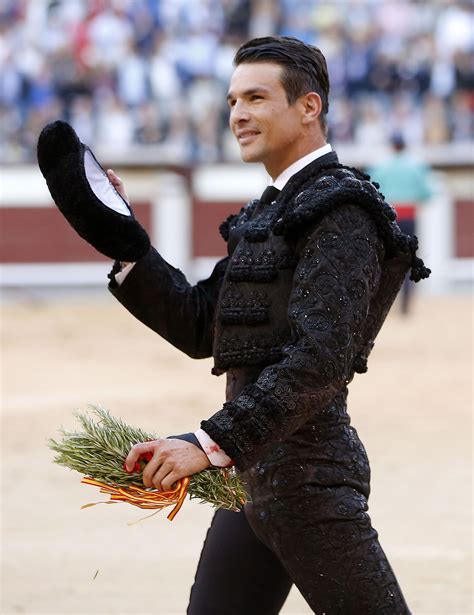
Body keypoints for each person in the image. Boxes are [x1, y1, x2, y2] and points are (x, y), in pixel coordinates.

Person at [78, 36, 430, 614]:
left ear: (308, 107)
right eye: (233, 100)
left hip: (309, 481)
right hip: (252, 481)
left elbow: (319, 361)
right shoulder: (270, 210)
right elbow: (201, 326)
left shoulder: (343, 209)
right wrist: (124, 242)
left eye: (257, 98)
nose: (238, 114)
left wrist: (207, 443)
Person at [369, 134, 433, 314]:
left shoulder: (381, 166)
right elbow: (427, 193)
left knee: (384, 258)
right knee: (408, 258)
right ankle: (405, 303)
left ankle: (381, 302)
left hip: (388, 217)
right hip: (409, 216)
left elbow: (372, 190)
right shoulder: (415, 166)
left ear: (392, 146)